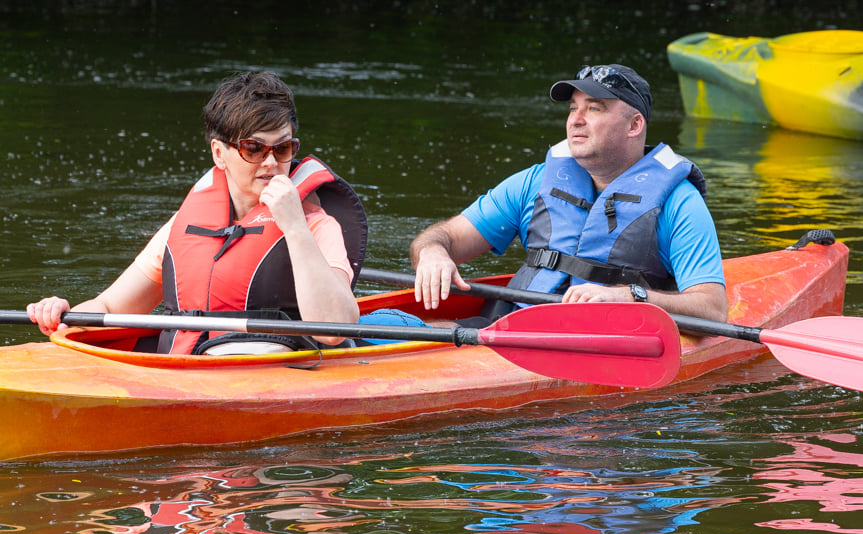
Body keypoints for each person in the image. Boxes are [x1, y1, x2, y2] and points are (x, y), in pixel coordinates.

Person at [27, 71, 366, 353]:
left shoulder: (317, 226)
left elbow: (334, 330)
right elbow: (112, 308)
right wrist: (64, 313)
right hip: (189, 369)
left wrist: (294, 228)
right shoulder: (186, 224)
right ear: (220, 154)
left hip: (272, 372)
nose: (271, 163)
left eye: (283, 148)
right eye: (253, 148)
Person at [410, 64, 728, 323]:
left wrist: (632, 296)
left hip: (604, 344)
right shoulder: (534, 183)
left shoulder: (680, 203)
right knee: (399, 323)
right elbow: (442, 237)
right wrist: (433, 252)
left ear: (634, 125)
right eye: (573, 108)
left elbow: (712, 309)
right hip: (509, 332)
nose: (576, 119)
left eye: (595, 108)